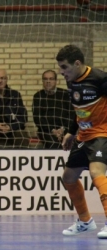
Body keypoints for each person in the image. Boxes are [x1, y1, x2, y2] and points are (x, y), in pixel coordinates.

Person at [56, 44, 107, 239]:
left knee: (96, 172)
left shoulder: (100, 79)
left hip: (101, 134)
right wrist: (70, 132)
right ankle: (85, 221)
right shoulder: (71, 80)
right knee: (68, 177)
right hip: (82, 137)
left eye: (64, 67)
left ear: (77, 64)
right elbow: (78, 108)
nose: (61, 72)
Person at [32, 70, 75, 149]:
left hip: (65, 129)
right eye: (45, 79)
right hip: (46, 131)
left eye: (51, 79)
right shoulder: (38, 96)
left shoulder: (65, 94)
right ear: (42, 81)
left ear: (55, 81)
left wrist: (62, 129)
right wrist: (52, 130)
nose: (48, 81)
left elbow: (71, 115)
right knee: (53, 143)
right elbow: (37, 118)